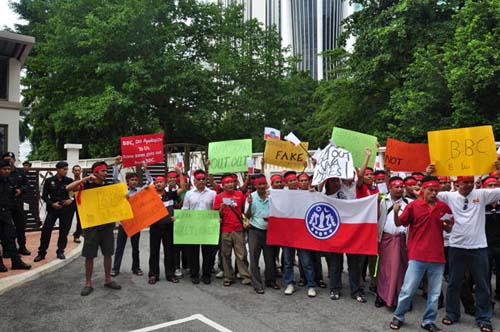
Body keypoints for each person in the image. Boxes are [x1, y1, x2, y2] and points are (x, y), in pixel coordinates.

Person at [432, 166, 500, 332]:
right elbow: (428, 191)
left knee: (482, 284)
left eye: (471, 182)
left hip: (479, 248)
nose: (468, 185)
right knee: (454, 283)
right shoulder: (448, 196)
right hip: (456, 247)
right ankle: (452, 314)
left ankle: (484, 318)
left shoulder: (481, 194)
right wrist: (430, 174)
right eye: (465, 182)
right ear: (457, 183)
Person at [389, 176, 453, 332]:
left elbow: (449, 228)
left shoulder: (443, 207)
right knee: (408, 290)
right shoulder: (414, 206)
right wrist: (396, 213)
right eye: (430, 190)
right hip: (417, 255)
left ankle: (428, 320)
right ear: (423, 189)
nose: (433, 193)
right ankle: (398, 316)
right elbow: (400, 224)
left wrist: (445, 224)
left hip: (437, 257)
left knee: (435, 293)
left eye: (436, 190)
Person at [66, 161, 121, 296]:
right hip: (92, 227)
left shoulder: (109, 186)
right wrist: (84, 178)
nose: (105, 173)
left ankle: (108, 279)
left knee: (108, 253)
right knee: (89, 255)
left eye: (106, 171)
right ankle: (88, 283)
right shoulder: (86, 185)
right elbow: (68, 188)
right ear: (95, 173)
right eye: (103, 171)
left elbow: (117, 201)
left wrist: (123, 198)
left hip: (107, 226)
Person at [110, 157, 153, 277]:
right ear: (127, 181)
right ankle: (115, 268)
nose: (134, 181)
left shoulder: (140, 191)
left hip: (136, 223)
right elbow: (114, 179)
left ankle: (136, 268)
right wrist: (116, 165)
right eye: (132, 180)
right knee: (119, 247)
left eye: (135, 180)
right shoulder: (122, 190)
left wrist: (146, 170)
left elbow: (150, 184)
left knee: (135, 248)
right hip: (124, 223)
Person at [375, 176, 410, 308]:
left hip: (402, 240)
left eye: (402, 186)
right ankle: (382, 295)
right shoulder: (382, 200)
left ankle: (401, 298)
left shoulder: (408, 202)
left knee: (402, 269)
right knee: (384, 269)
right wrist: (377, 202)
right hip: (385, 239)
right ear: (390, 188)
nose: (400, 189)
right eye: (397, 186)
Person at [213, 174, 251, 286]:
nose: (230, 184)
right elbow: (216, 215)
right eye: (227, 183)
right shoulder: (219, 197)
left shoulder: (240, 194)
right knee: (226, 254)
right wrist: (221, 209)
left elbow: (245, 210)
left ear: (234, 183)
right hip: (225, 230)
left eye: (231, 182)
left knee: (242, 254)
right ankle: (228, 276)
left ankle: (245, 275)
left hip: (238, 229)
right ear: (223, 185)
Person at [148, 168, 185, 285]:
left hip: (168, 227)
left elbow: (183, 188)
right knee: (154, 252)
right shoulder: (150, 196)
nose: (158, 184)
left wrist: (180, 174)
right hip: (155, 227)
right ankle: (153, 275)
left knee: (169, 252)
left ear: (165, 184)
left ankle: (170, 274)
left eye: (160, 182)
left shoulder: (170, 194)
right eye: (156, 182)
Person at [245, 174, 279, 294]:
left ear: (267, 184)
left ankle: (271, 280)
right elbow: (247, 216)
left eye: (264, 184)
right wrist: (249, 204)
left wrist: (271, 218)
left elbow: (278, 211)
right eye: (259, 184)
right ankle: (257, 283)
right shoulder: (251, 197)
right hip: (255, 230)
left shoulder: (271, 196)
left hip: (269, 231)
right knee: (254, 258)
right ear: (255, 185)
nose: (262, 186)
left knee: (270, 257)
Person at [182, 169, 217, 285]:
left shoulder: (212, 194)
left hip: (207, 227)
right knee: (193, 252)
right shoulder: (189, 194)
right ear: (195, 181)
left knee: (207, 252)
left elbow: (214, 209)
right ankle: (194, 274)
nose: (201, 181)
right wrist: (179, 218)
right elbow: (185, 209)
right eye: (199, 179)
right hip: (193, 227)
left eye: (203, 179)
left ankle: (206, 275)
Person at [34, 161, 74, 262]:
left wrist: (71, 199)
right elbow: (44, 196)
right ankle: (41, 253)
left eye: (66, 169)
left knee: (64, 231)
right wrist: (52, 204)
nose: (65, 171)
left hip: (65, 209)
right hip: (53, 209)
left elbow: (76, 192)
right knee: (46, 231)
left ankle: (60, 251)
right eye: (63, 169)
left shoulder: (69, 180)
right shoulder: (49, 181)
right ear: (58, 169)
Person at [0, 159, 31, 271]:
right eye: (4, 169)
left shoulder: (10, 181)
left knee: (10, 237)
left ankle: (16, 262)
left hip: (6, 214)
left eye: (8, 169)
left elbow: (12, 197)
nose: (7, 171)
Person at [71, 165, 83, 243]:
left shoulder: (84, 181)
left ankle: (77, 236)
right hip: (71, 202)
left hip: (80, 202)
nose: (77, 172)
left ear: (81, 171)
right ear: (73, 171)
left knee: (80, 220)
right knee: (68, 219)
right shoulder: (70, 181)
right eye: (75, 170)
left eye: (78, 170)